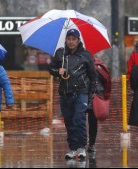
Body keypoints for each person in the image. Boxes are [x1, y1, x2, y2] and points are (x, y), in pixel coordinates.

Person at [49, 29, 97, 159]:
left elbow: (93, 76)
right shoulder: (60, 53)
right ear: (66, 40)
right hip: (65, 92)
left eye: (73, 39)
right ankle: (73, 148)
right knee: (69, 121)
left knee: (79, 119)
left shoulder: (86, 55)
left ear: (78, 41)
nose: (71, 42)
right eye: (69, 39)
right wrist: (57, 71)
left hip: (81, 92)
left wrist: (91, 94)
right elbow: (50, 68)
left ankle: (81, 147)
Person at [87, 58, 111, 155]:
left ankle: (90, 143)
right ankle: (90, 144)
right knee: (91, 121)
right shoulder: (99, 65)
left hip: (93, 96)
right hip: (93, 96)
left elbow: (106, 80)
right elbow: (107, 81)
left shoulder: (97, 66)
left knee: (88, 121)